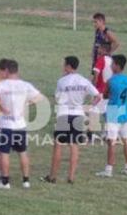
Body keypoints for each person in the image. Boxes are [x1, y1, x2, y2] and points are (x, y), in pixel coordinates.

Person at [42, 56, 101, 184]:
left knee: (58, 145)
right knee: (74, 146)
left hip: (64, 114)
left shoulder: (62, 81)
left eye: (64, 65)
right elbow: (97, 96)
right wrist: (89, 107)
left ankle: (52, 176)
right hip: (78, 114)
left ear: (68, 66)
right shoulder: (84, 81)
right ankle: (71, 177)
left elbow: (57, 98)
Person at [0, 60, 44, 189]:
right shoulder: (25, 85)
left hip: (5, 125)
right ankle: (26, 181)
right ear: (17, 70)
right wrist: (28, 103)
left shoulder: (2, 84)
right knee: (22, 152)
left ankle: (5, 182)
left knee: (4, 153)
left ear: (7, 71)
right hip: (20, 125)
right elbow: (40, 97)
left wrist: (2, 107)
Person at [97, 54, 127, 177]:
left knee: (111, 141)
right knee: (126, 140)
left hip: (113, 110)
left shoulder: (111, 81)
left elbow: (106, 95)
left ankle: (108, 169)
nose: (111, 66)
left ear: (117, 66)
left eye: (112, 64)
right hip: (125, 110)